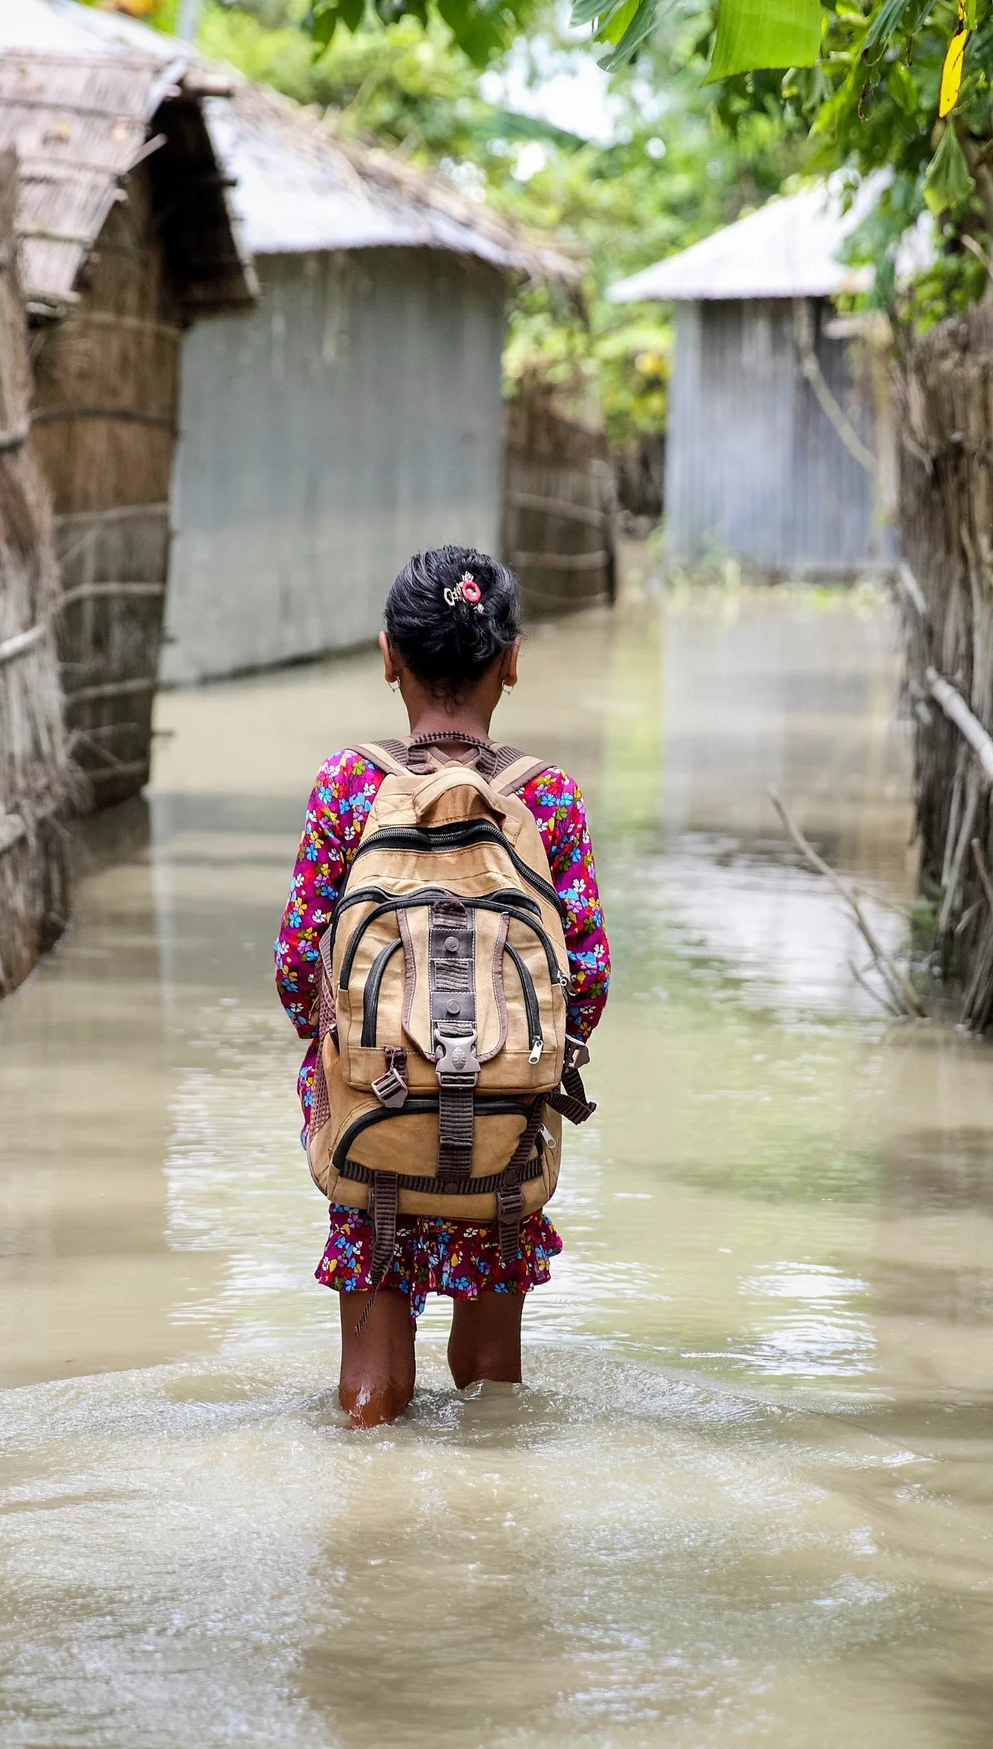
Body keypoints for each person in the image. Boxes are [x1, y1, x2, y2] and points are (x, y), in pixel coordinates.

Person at [273, 546, 609, 1427]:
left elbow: (296, 968)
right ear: (512, 660)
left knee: (371, 1388)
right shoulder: (549, 799)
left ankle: (369, 1526)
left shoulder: (350, 787)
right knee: (494, 1384)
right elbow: (591, 981)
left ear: (389, 656)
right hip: (503, 1131)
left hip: (373, 1115)